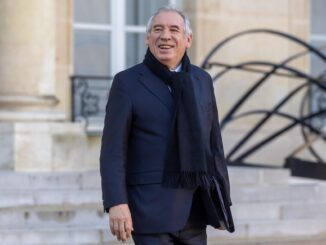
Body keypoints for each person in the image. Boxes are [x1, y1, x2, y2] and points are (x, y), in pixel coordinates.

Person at [100, 6, 233, 245]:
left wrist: (222, 198)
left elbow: (214, 145)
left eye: (174, 29)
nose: (165, 36)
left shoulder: (202, 80)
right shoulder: (127, 82)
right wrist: (116, 202)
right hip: (149, 208)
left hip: (196, 207)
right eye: (158, 29)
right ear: (147, 38)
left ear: (187, 39)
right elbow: (112, 151)